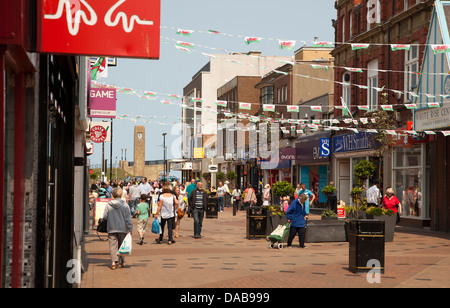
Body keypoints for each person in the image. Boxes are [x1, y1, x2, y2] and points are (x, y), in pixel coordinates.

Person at [102, 187, 133, 270]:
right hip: (122, 228)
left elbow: (105, 216)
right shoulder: (125, 205)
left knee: (112, 245)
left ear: (112, 195)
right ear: (121, 194)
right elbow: (128, 218)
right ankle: (121, 262)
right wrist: (130, 228)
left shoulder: (109, 204)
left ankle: (113, 262)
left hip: (111, 227)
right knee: (122, 245)